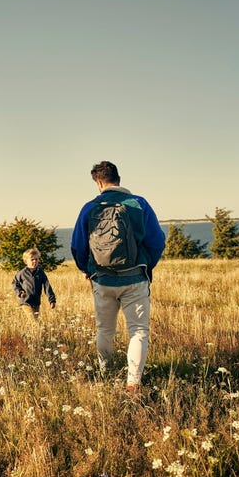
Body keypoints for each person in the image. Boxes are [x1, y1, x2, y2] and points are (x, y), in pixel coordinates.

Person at [70, 161, 166, 394]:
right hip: (135, 279)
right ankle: (133, 383)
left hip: (102, 280)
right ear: (118, 178)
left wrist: (88, 269)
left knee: (105, 330)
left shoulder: (89, 207)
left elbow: (77, 246)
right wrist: (145, 266)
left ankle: (105, 372)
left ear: (99, 182)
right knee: (138, 331)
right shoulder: (138, 203)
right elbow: (157, 241)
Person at [12, 248, 56, 319]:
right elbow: (15, 283)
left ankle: (31, 330)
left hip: (36, 302)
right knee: (33, 321)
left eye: (36, 259)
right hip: (26, 301)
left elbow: (47, 286)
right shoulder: (22, 273)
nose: (35, 261)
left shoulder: (40, 272)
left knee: (35, 321)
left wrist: (52, 300)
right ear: (26, 261)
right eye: (32, 259)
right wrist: (20, 292)